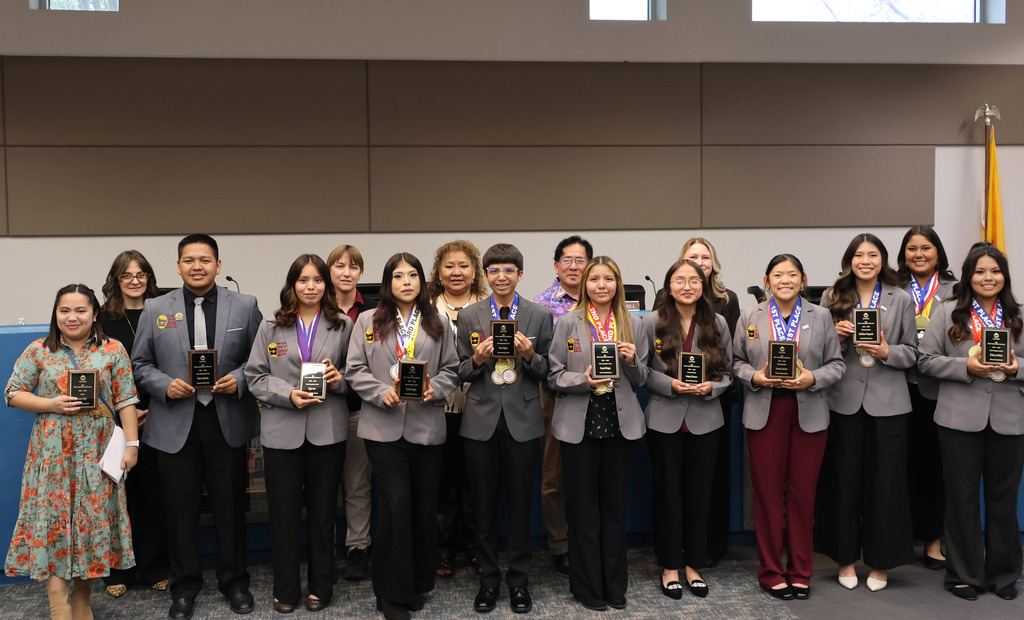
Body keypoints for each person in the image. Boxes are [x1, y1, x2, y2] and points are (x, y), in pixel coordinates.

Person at [132, 234, 262, 620]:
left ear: (218, 266)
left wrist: (238, 379)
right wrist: (163, 385)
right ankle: (184, 587)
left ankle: (234, 582)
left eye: (205, 260)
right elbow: (140, 364)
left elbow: (259, 361)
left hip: (226, 419)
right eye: (189, 260)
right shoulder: (156, 307)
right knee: (180, 509)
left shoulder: (245, 305)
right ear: (177, 266)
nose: (197, 267)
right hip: (175, 422)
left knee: (230, 508)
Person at [5, 284, 141, 620]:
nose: (72, 317)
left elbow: (126, 400)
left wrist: (132, 445)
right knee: (53, 528)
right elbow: (13, 393)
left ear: (95, 314)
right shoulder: (39, 350)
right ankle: (58, 608)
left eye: (81, 310)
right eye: (65, 310)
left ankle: (82, 603)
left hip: (97, 457)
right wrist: (50, 403)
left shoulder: (113, 350)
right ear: (56, 314)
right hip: (50, 460)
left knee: (88, 529)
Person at [345, 252, 460, 620]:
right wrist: (381, 392)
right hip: (383, 427)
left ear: (422, 283)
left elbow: (452, 370)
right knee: (395, 504)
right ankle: (391, 594)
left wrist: (434, 388)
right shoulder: (367, 321)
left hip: (427, 427)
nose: (406, 282)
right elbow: (354, 369)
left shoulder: (437, 322)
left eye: (413, 275)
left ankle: (414, 583)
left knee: (423, 507)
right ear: (387, 283)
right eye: (398, 276)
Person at [733, 254, 845, 600]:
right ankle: (770, 571)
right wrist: (755, 375)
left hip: (808, 412)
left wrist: (812, 377)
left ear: (803, 279)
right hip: (765, 412)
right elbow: (735, 363)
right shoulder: (749, 316)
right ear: (767, 280)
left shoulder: (821, 315)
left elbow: (837, 365)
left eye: (792, 274)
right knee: (767, 496)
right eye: (778, 275)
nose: (785, 280)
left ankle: (800, 571)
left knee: (802, 497)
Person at [245, 254, 352, 613]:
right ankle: (286, 589)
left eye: (318, 280)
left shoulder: (342, 326)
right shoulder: (271, 327)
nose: (311, 287)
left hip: (328, 432)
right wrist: (287, 394)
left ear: (327, 284)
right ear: (292, 284)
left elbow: (356, 376)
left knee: (324, 516)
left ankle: (322, 586)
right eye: (303, 280)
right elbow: (255, 376)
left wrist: (340, 380)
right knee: (284, 515)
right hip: (281, 433)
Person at [918, 245, 1024, 601]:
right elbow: (926, 361)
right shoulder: (947, 313)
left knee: (1003, 499)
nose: (988, 278)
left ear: (1004, 276)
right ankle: (962, 573)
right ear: (968, 276)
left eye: (995, 271)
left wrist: (1016, 368)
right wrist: (966, 366)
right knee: (961, 498)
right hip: (958, 420)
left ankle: (1003, 573)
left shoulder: (1019, 315)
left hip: (1009, 420)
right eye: (980, 272)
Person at [816, 233, 917, 592]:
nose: (866, 261)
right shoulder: (832, 297)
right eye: (859, 255)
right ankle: (844, 559)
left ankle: (880, 562)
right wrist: (838, 338)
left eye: (873, 255)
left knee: (885, 484)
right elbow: (819, 352)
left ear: (883, 260)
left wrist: (888, 350)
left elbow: (913, 354)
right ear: (849, 260)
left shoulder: (900, 298)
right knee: (844, 482)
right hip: (843, 401)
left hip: (889, 404)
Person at [455, 243, 553, 614]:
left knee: (519, 507)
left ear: (520, 275)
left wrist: (529, 356)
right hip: (480, 421)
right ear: (486, 275)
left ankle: (519, 583)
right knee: (483, 508)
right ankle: (488, 582)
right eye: (494, 270)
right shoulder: (470, 316)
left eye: (508, 270)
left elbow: (548, 372)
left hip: (523, 422)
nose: (501, 276)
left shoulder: (540, 315)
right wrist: (478, 359)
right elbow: (459, 371)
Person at [549, 256, 647, 611]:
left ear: (618, 284)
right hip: (580, 424)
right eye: (595, 279)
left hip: (620, 425)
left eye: (609, 279)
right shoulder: (568, 322)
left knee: (614, 510)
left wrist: (634, 361)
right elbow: (554, 375)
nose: (601, 285)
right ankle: (586, 586)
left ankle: (614, 585)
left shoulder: (635, 323)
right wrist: (583, 380)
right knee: (583, 511)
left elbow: (643, 379)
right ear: (585, 284)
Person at [638, 260, 732, 600]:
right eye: (680, 280)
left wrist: (712, 388)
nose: (687, 286)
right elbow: (642, 372)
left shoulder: (718, 322)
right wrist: (671, 384)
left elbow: (729, 372)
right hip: (664, 418)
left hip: (706, 420)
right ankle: (669, 566)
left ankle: (693, 564)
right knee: (668, 495)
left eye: (694, 280)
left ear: (704, 286)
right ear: (669, 286)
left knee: (699, 495)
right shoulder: (651, 321)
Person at [99, 250, 170, 598]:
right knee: (116, 499)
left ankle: (154, 566)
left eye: (141, 273)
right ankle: (118, 570)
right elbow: (95, 372)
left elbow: (172, 366)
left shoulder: (165, 313)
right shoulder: (101, 319)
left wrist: (152, 410)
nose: (135, 280)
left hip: (160, 415)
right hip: (113, 424)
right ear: (116, 280)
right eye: (127, 275)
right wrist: (123, 415)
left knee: (153, 496)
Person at [532, 234, 593, 578]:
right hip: (554, 396)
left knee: (590, 474)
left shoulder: (603, 299)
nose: (573, 266)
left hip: (599, 396)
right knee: (554, 475)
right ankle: (560, 545)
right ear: (556, 265)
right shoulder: (539, 306)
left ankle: (588, 539)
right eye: (567, 260)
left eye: (580, 260)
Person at [677, 237, 741, 565]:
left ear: (712, 264)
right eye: (693, 257)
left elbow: (728, 348)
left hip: (716, 398)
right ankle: (680, 547)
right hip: (676, 397)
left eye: (705, 257)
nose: (700, 262)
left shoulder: (726, 301)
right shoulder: (667, 297)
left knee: (713, 477)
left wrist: (711, 384)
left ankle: (712, 547)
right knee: (678, 479)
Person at [896, 225, 956, 570]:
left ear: (938, 252)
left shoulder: (957, 289)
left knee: (936, 468)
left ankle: (933, 541)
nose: (918, 254)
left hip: (939, 390)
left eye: (926, 248)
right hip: (897, 386)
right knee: (897, 468)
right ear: (903, 254)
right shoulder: (890, 289)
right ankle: (899, 539)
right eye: (911, 248)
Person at [428, 240, 488, 578]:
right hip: (438, 408)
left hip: (479, 407)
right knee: (443, 484)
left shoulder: (487, 305)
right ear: (439, 271)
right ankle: (442, 548)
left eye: (463, 266)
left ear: (474, 271)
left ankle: (474, 546)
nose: (456, 272)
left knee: (476, 483)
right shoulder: (425, 307)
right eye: (449, 266)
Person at [328, 244, 375, 582]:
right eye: (339, 266)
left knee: (357, 485)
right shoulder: (311, 307)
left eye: (353, 267)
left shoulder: (374, 311)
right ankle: (321, 548)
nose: (346, 272)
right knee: (323, 484)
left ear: (360, 273)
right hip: (321, 411)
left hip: (361, 409)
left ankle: (357, 547)